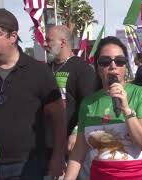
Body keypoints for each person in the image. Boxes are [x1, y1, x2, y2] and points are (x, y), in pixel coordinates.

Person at [0, 9, 67, 179]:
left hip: (28, 165)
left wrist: (58, 156)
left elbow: (58, 117)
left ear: (13, 37)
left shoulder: (38, 72)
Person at [63, 36, 142, 180]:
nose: (113, 66)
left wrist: (127, 110)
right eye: (105, 62)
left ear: (126, 65)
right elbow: (78, 152)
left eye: (119, 61)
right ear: (98, 67)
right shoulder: (88, 103)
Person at [44, 25, 99, 179]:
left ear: (62, 42)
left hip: (75, 145)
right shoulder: (45, 70)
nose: (45, 44)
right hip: (48, 143)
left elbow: (90, 106)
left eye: (49, 40)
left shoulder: (82, 70)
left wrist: (76, 132)